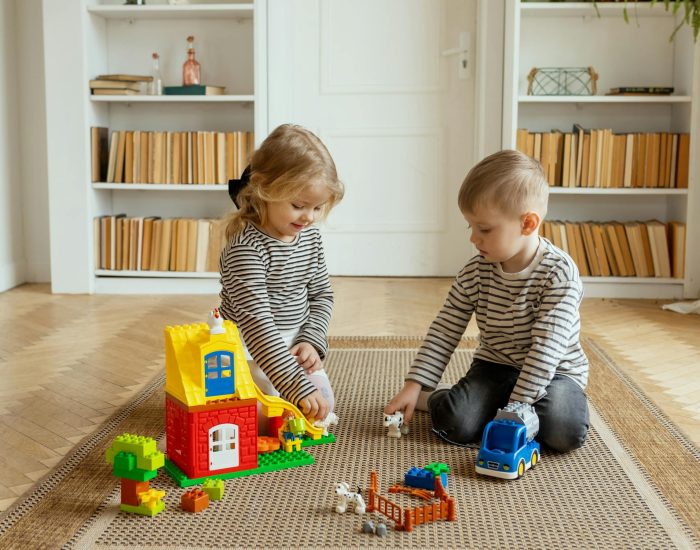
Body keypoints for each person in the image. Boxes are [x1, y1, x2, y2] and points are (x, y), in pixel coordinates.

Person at [384, 149, 589, 452]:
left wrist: (516, 409)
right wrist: (416, 385)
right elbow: (445, 330)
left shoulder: (559, 274)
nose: (473, 239)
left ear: (527, 223)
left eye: (485, 229)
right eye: (471, 227)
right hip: (495, 366)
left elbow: (546, 350)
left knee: (564, 431)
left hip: (556, 372)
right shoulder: (475, 271)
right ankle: (440, 396)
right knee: (455, 423)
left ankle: (518, 406)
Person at [219, 124, 344, 422]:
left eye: (317, 207)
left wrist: (311, 340)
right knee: (263, 419)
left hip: (294, 346)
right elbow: (258, 326)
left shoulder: (310, 238)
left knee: (322, 410)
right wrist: (296, 386)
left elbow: (321, 295)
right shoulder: (246, 250)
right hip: (248, 351)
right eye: (299, 205)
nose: (309, 217)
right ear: (264, 189)